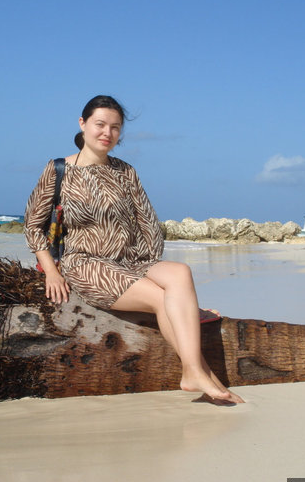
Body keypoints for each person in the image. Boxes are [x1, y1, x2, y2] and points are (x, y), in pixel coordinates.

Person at [24, 95, 244, 405]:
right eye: (100, 124)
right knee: (160, 297)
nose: (107, 133)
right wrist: (50, 271)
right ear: (82, 124)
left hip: (130, 260)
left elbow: (147, 222)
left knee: (179, 272)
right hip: (86, 263)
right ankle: (201, 376)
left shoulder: (126, 172)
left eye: (115, 128)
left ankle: (196, 371)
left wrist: (151, 265)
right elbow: (33, 224)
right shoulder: (58, 169)